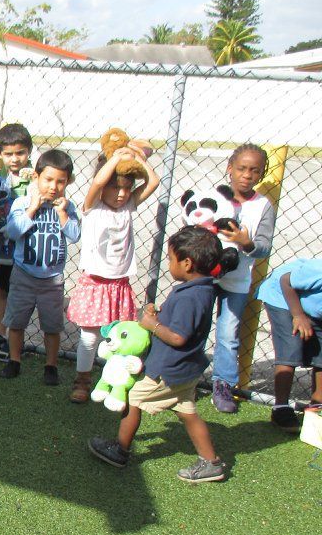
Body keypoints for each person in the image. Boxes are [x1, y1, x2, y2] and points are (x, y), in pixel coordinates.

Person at [88, 226, 240, 483]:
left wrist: (152, 325)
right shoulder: (203, 289)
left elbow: (179, 337)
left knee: (133, 398)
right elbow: (184, 327)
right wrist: (159, 317)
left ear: (188, 263)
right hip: (187, 369)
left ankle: (120, 450)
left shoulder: (190, 297)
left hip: (168, 369)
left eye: (171, 259)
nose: (169, 263)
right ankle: (211, 461)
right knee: (187, 411)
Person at [66, 147, 160, 402]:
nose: (121, 194)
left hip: (119, 285)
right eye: (115, 187)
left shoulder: (129, 205)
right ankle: (82, 381)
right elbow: (97, 181)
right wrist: (115, 158)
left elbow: (154, 182)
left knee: (118, 337)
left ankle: (113, 382)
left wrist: (138, 159)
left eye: (127, 188)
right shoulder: (93, 207)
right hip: (95, 284)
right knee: (89, 337)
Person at [0, 150, 81, 385]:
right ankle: (14, 361)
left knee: (52, 326)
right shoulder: (22, 203)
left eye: (61, 181)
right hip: (24, 275)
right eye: (48, 180)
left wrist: (63, 214)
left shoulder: (66, 206)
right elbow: (13, 232)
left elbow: (75, 235)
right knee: (16, 322)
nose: (54, 187)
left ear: (67, 182)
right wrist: (33, 208)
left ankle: (51, 366)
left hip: (52, 279)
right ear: (36, 177)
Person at [209, 144, 276, 414]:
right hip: (206, 275)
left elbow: (264, 245)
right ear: (230, 168)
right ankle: (184, 376)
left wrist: (247, 243)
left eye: (254, 171)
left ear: (260, 174)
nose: (247, 175)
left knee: (227, 333)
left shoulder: (263, 206)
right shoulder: (213, 197)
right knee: (195, 325)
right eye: (241, 168)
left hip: (236, 281)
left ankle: (223, 383)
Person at [0, 123, 34, 360]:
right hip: (3, 246)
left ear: (29, 151)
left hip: (26, 247)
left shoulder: (37, 177)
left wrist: (36, 181)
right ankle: (1, 335)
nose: (15, 159)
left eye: (20, 153)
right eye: (9, 154)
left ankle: (14, 337)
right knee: (4, 289)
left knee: (20, 293)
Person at [256, 258, 322, 431]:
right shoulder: (319, 272)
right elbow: (286, 280)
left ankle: (317, 405)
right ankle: (281, 408)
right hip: (282, 296)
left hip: (311, 307)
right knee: (291, 349)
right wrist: (298, 316)